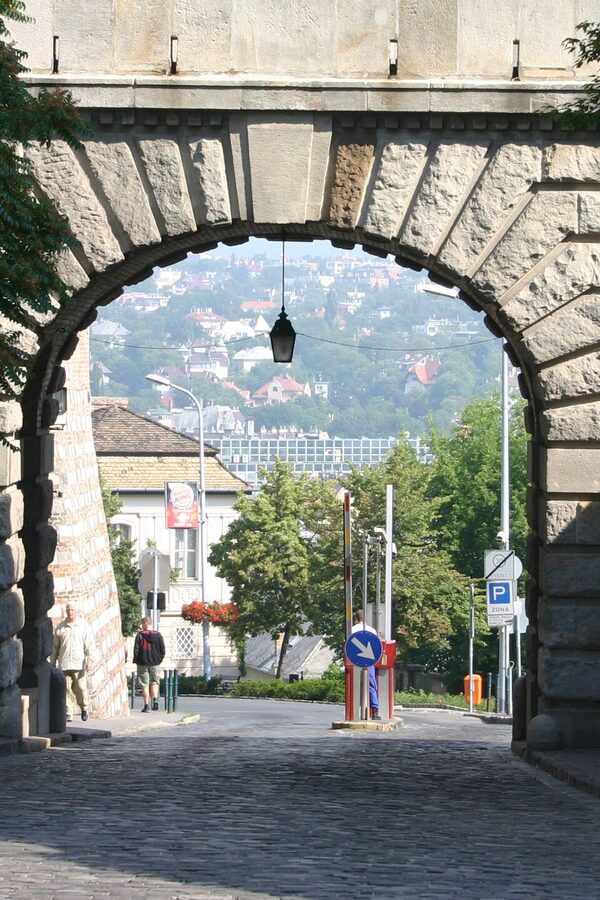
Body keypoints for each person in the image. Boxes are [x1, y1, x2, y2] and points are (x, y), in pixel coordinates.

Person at [51, 600, 96, 722]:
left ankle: (84, 708)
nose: (70, 612)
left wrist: (90, 661)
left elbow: (90, 646)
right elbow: (55, 647)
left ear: (77, 611)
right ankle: (68, 714)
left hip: (78, 664)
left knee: (80, 689)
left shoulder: (84, 627)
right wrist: (52, 662)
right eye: (68, 610)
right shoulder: (60, 628)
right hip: (64, 664)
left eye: (72, 610)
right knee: (65, 690)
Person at [352, 610, 380, 720]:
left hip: (354, 661)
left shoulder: (352, 630)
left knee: (354, 685)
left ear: (356, 618)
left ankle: (353, 711)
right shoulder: (372, 631)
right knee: (371, 685)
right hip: (369, 661)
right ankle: (374, 710)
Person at [133, 617, 165, 712]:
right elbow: (162, 650)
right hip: (155, 662)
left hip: (142, 663)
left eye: (142, 624)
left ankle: (146, 705)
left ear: (146, 623)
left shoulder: (140, 635)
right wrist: (159, 659)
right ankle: (155, 699)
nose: (141, 626)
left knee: (144, 684)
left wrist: (136, 660)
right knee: (155, 681)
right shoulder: (158, 635)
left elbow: (136, 650)